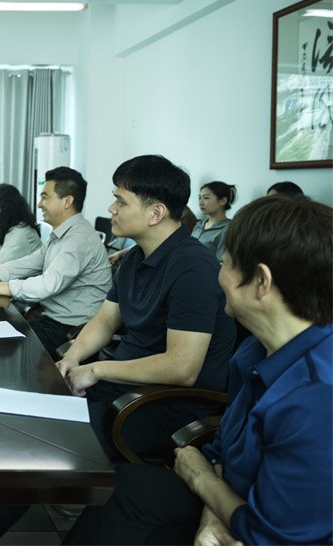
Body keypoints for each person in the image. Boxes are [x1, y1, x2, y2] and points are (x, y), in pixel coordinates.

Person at [64, 194, 332, 545]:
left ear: (261, 282)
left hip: (263, 532)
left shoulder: (317, 398)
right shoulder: (254, 350)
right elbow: (223, 452)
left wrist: (199, 478)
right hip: (232, 504)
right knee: (128, 485)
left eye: (226, 263)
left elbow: (270, 533)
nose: (218, 273)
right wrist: (212, 512)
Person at [56, 155, 236, 462]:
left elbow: (182, 368)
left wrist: (96, 370)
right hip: (123, 388)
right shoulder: (135, 257)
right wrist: (73, 357)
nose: (111, 209)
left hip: (162, 404)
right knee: (38, 417)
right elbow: (105, 320)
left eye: (120, 202)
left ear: (156, 213)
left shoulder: (193, 268)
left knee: (53, 440)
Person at [0, 167, 112, 356]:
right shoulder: (61, 235)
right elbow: (25, 264)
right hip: (50, 319)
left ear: (67, 201)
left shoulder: (78, 239)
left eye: (45, 197)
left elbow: (46, 285)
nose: (40, 204)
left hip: (70, 330)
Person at [191, 180, 236, 261]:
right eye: (199, 198)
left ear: (223, 201)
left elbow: (221, 263)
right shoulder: (198, 225)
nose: (200, 203)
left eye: (206, 198)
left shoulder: (228, 229)